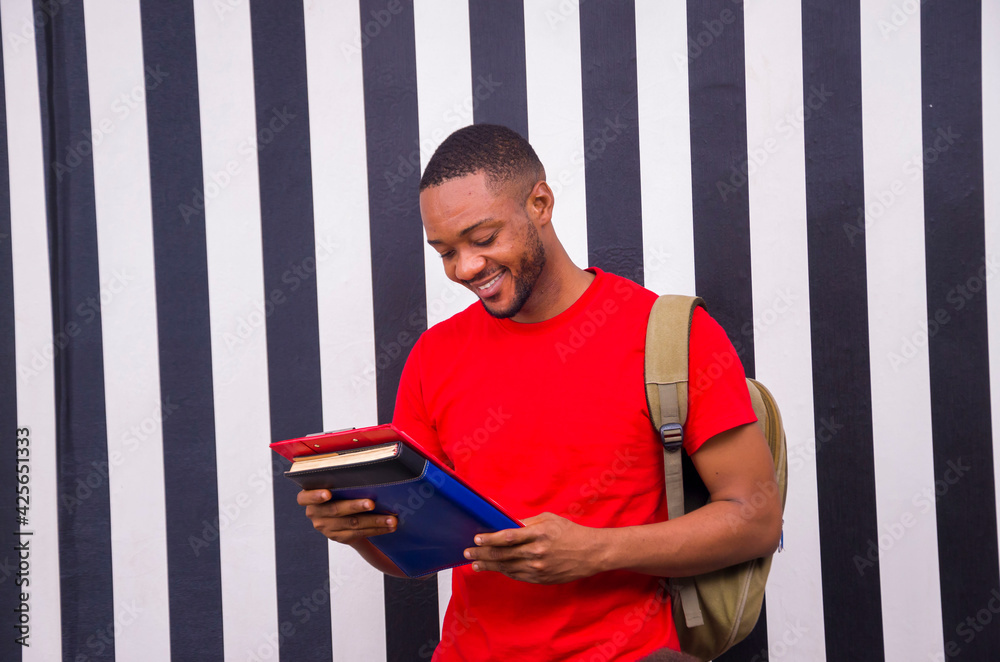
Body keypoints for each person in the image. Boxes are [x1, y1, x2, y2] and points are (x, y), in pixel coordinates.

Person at [299, 124, 782, 661]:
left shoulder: (670, 336)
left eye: (483, 239)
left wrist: (598, 550)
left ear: (541, 203)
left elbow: (755, 519)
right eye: (445, 252)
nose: (465, 268)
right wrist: (361, 531)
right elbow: (416, 551)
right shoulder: (434, 356)